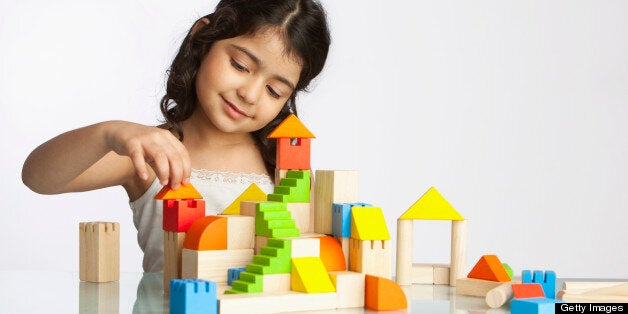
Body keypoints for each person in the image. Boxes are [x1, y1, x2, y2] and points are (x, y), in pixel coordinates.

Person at [21, 0, 331, 273]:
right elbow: (38, 177)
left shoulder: (283, 168)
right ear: (202, 37)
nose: (249, 94)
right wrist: (108, 133)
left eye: (274, 91)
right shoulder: (148, 155)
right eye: (240, 65)